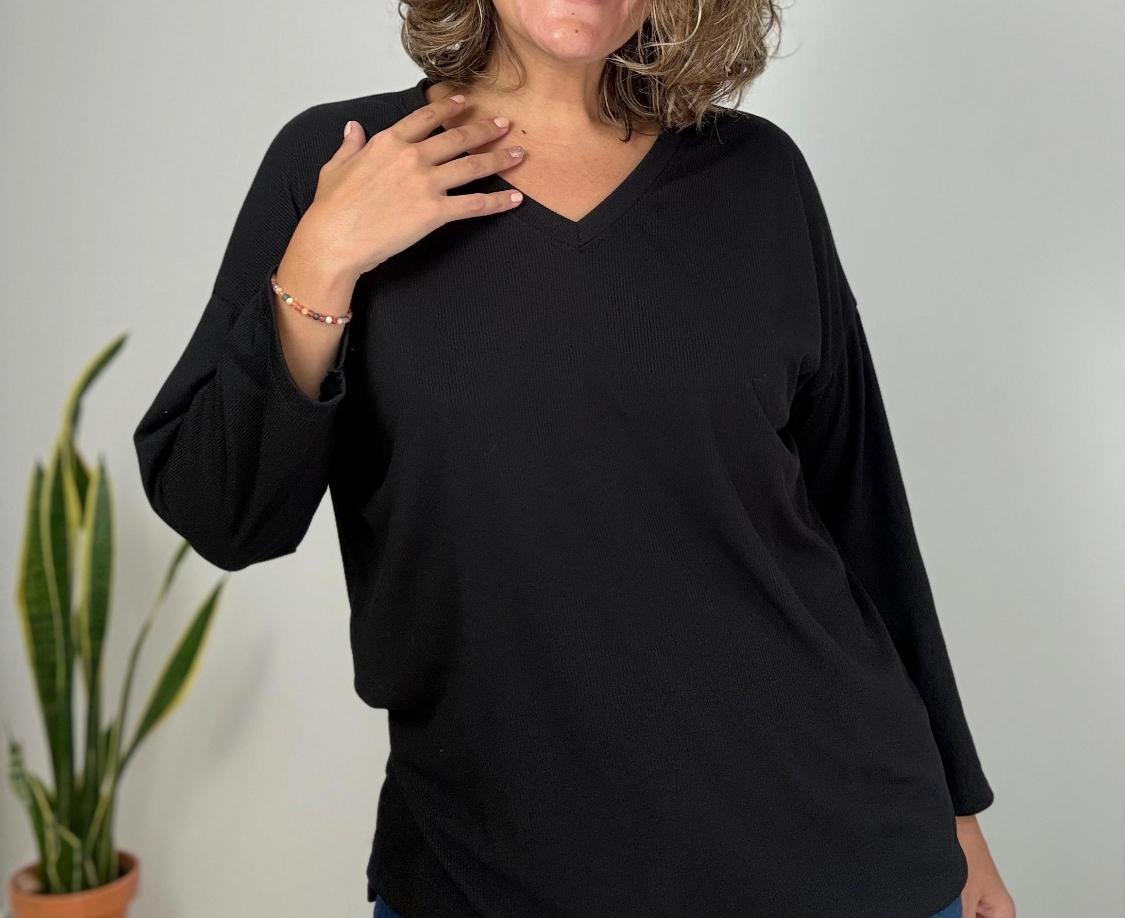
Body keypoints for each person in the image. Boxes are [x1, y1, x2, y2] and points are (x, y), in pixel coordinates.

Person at [132, 1, 1017, 916]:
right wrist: (323, 260)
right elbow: (221, 513)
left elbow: (859, 510)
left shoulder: (758, 176)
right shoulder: (348, 160)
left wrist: (955, 814)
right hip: (489, 871)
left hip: (842, 856)